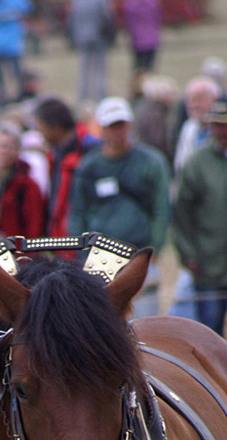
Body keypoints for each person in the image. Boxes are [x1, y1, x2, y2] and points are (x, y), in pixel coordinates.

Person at [68, 96, 170, 317]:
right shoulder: (89, 166)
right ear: (101, 129)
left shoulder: (152, 162)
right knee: (102, 324)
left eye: (121, 125)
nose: (117, 131)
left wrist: (154, 249)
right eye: (111, 126)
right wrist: (82, 255)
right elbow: (78, 212)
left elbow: (161, 209)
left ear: (129, 125)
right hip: (99, 259)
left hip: (139, 254)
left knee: (144, 323)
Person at [172, 98, 227, 338]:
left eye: (226, 124)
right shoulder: (196, 163)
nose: (221, 130)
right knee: (210, 334)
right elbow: (182, 213)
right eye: (215, 125)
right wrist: (188, 253)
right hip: (208, 261)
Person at [34, 95, 99, 238]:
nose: (40, 134)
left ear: (56, 129)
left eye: (41, 127)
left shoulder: (91, 150)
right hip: (62, 242)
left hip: (83, 242)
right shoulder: (57, 152)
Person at [63, 0, 116, 105]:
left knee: (84, 69)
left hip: (82, 37)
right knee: (100, 69)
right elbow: (107, 16)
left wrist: (74, 35)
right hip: (99, 37)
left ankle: (83, 96)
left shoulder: (77, 2)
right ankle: (101, 95)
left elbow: (72, 18)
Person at [121, 0, 160, 72]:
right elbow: (157, 19)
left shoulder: (130, 5)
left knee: (138, 67)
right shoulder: (153, 4)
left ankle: (139, 81)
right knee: (149, 67)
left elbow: (128, 22)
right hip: (151, 39)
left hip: (137, 39)